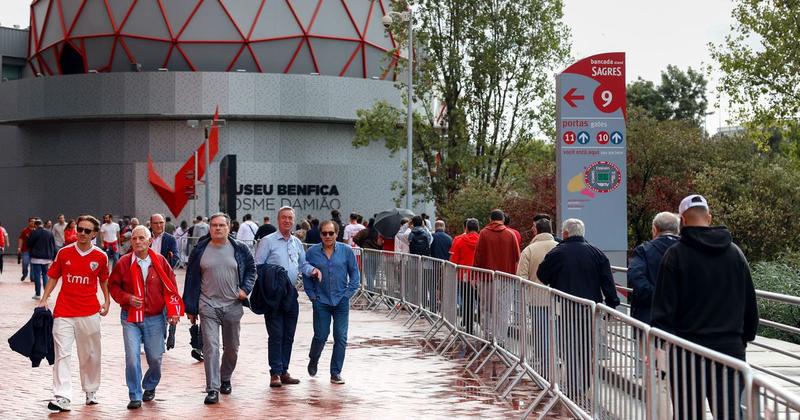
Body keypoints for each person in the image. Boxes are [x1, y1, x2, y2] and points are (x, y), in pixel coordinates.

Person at [651, 195, 758, 420]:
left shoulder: (674, 256)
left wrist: (660, 351)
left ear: (683, 221)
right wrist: (743, 338)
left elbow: (663, 312)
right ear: (709, 218)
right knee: (730, 413)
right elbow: (750, 304)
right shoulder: (735, 254)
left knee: (688, 413)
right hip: (729, 351)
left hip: (685, 352)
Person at [536, 218, 620, 398]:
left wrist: (554, 282)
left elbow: (541, 274)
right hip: (590, 308)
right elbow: (608, 281)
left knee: (569, 346)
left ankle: (574, 386)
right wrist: (611, 304)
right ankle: (585, 383)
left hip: (565, 307)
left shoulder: (557, 253)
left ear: (565, 233)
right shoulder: (596, 253)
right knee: (586, 346)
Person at [37, 215, 110, 412]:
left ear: (94, 234)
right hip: (64, 312)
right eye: (80, 229)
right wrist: (44, 298)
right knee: (62, 354)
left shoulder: (101, 257)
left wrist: (107, 300)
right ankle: (62, 396)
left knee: (90, 354)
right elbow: (53, 276)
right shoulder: (64, 253)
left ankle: (91, 390)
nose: (82, 233)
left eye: (87, 231)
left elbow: (103, 279)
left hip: (89, 312)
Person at [183, 213, 256, 405]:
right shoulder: (200, 249)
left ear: (229, 227)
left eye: (221, 225)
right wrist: (190, 307)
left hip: (232, 304)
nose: (217, 228)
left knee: (231, 347)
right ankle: (212, 389)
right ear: (209, 228)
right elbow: (190, 278)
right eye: (214, 225)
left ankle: (225, 378)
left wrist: (245, 289)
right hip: (208, 305)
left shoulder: (239, 248)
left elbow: (251, 269)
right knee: (211, 347)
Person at [109, 226, 184, 409]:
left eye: (141, 238)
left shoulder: (160, 261)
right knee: (132, 357)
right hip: (130, 317)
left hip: (155, 317)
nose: (137, 242)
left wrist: (173, 311)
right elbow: (113, 287)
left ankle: (150, 384)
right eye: (134, 238)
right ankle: (135, 394)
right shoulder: (123, 263)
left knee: (155, 358)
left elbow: (171, 286)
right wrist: (127, 298)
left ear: (150, 241)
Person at [254, 206, 321, 388]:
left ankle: (284, 370)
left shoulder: (296, 243)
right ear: (278, 220)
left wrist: (313, 270)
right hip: (274, 294)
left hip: (291, 294)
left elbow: (303, 264)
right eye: (284, 218)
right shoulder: (267, 241)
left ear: (294, 221)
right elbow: (258, 266)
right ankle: (274, 372)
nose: (287, 221)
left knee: (289, 335)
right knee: (276, 334)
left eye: (290, 218)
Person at [303, 220, 360, 384]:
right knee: (321, 335)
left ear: (337, 234)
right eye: (324, 233)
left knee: (340, 337)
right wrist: (312, 296)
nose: (327, 236)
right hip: (321, 300)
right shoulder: (312, 252)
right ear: (320, 234)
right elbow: (307, 275)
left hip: (341, 300)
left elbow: (355, 275)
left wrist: (347, 294)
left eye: (331, 233)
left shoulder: (346, 251)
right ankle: (314, 358)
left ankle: (335, 372)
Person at [628, 212, 680, 325]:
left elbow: (635, 276)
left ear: (655, 229)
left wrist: (656, 296)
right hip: (681, 318)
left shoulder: (644, 250)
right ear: (677, 230)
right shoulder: (687, 250)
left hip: (649, 316)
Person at [449, 218, 480, 334]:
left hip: (464, 275)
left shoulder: (459, 241)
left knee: (467, 301)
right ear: (478, 228)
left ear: (466, 228)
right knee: (482, 301)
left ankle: (468, 326)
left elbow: (454, 259)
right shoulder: (482, 240)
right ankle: (482, 323)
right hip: (479, 276)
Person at [473, 209, 520, 274]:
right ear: (503, 219)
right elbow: (517, 257)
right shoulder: (511, 234)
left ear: (490, 219)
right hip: (507, 277)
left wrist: (474, 275)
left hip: (487, 276)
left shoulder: (483, 233)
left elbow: (478, 256)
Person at [516, 217, 558, 284]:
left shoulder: (528, 250)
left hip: (534, 292)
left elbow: (521, 276)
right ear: (551, 231)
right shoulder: (559, 247)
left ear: (536, 231)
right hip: (556, 293)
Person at [27, 219, 56, 299]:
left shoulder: (34, 232)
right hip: (47, 257)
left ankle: (38, 294)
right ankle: (47, 293)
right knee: (45, 275)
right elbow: (53, 245)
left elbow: (29, 243)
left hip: (36, 257)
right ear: (42, 224)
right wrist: (53, 256)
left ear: (35, 225)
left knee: (37, 275)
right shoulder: (49, 233)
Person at [17, 216, 36, 281]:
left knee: (33, 264)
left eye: (34, 221)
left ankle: (32, 277)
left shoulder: (36, 230)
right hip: (25, 250)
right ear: (28, 222)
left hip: (34, 250)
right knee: (25, 263)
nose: (33, 222)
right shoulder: (25, 230)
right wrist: (19, 247)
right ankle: (25, 274)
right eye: (32, 221)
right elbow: (21, 239)